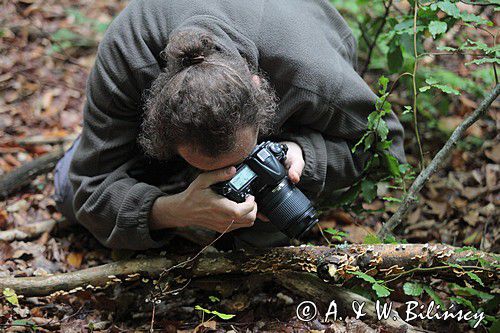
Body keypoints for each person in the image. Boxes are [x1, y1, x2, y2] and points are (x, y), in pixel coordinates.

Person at [53, 0, 405, 250]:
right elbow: (88, 187)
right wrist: (172, 210)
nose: (230, 174)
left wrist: (303, 155)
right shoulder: (127, 55)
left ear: (259, 89)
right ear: (154, 125)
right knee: (67, 194)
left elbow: (386, 145)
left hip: (291, 63)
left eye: (239, 159)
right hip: (157, 118)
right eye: (216, 168)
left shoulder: (310, 76)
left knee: (261, 231)